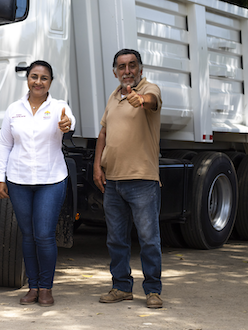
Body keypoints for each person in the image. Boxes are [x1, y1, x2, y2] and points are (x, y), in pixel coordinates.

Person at [0, 60, 75, 307]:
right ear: (27, 79)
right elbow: (4, 144)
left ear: (51, 82)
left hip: (51, 179)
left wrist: (67, 125)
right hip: (18, 180)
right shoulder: (14, 109)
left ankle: (46, 288)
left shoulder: (59, 107)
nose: (38, 82)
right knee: (28, 235)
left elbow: (69, 122)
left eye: (44, 78)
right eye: (34, 77)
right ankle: (33, 287)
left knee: (44, 235)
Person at [93, 48, 164, 309]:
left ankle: (153, 290)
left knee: (148, 239)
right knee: (116, 239)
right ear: (115, 72)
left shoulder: (149, 89)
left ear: (140, 69)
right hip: (113, 181)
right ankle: (121, 287)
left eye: (132, 65)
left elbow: (152, 101)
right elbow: (103, 133)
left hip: (142, 180)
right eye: (121, 67)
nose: (127, 71)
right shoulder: (113, 97)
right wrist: (97, 166)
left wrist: (141, 100)